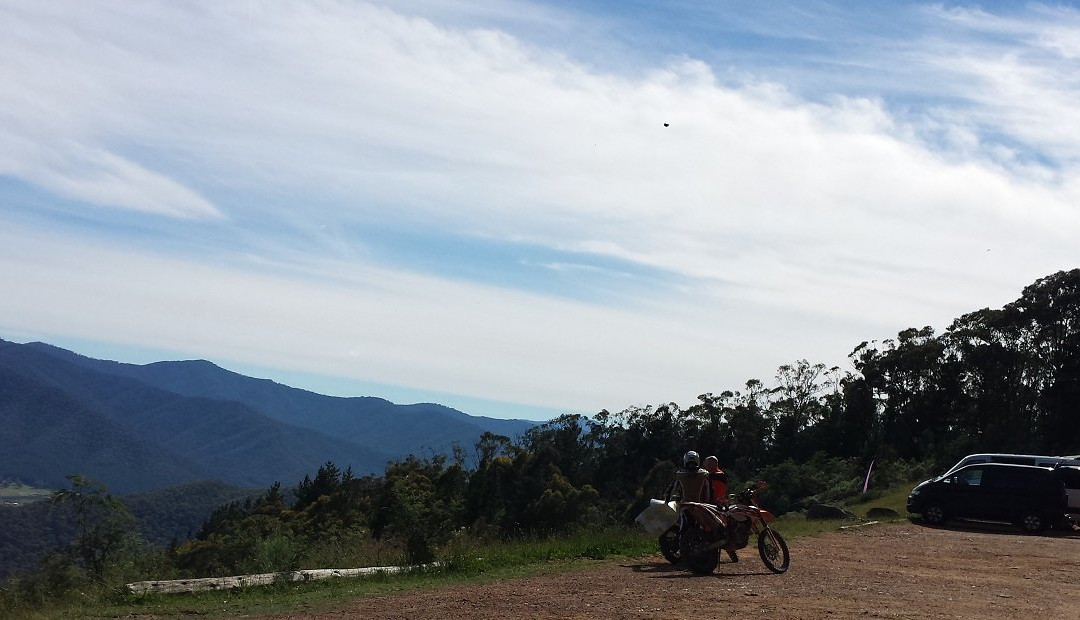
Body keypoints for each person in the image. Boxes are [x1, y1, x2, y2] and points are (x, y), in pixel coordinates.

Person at [704, 455, 738, 563]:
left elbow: (714, 493)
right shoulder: (716, 475)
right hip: (717, 504)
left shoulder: (716, 476)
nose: (704, 466)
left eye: (707, 464)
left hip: (716, 505)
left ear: (713, 464)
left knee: (716, 527)